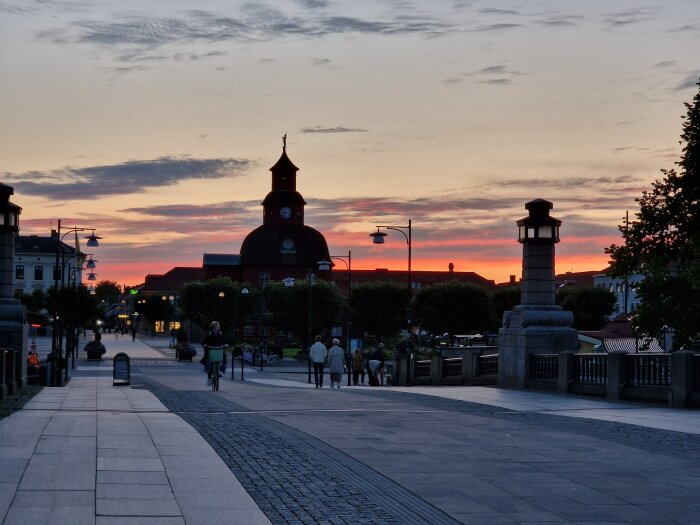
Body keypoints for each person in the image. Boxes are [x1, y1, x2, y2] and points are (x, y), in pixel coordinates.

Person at [201, 321, 226, 385]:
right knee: (209, 363)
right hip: (211, 349)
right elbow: (204, 341)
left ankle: (220, 371)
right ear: (214, 327)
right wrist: (205, 345)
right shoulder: (209, 333)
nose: (219, 326)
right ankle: (209, 378)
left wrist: (225, 344)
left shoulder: (220, 333)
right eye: (218, 326)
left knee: (223, 357)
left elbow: (224, 341)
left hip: (219, 349)